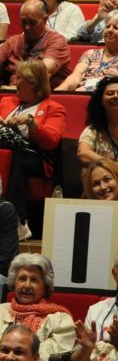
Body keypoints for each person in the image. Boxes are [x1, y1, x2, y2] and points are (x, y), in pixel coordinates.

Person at [0, 60, 64, 237]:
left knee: (15, 157)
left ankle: (18, 221)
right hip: (4, 151)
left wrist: (31, 123)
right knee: (9, 155)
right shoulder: (7, 102)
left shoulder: (54, 108)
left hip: (34, 156)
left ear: (33, 82)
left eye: (19, 78)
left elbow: (51, 141)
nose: (14, 82)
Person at [0, 254, 74, 361]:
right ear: (14, 283)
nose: (27, 285)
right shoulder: (2, 310)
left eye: (34, 280)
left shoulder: (60, 320)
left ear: (46, 287)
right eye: (22, 279)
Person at [58, 12, 118, 93]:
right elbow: (76, 76)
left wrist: (109, 90)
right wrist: (58, 92)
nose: (110, 30)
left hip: (113, 95)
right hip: (85, 93)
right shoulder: (90, 53)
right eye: (107, 26)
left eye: (116, 28)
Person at [0, 0, 71, 86]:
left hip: (45, 95)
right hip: (12, 94)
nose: (27, 27)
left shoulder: (57, 41)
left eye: (32, 22)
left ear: (45, 20)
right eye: (23, 22)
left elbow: (42, 71)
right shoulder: (13, 42)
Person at [74, 77, 118, 170]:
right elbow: (83, 153)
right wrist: (111, 166)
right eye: (110, 93)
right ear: (101, 100)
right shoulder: (93, 130)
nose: (115, 96)